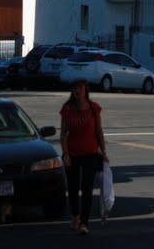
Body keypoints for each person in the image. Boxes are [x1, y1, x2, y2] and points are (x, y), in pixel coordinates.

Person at [59, 78, 108, 235]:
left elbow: (99, 131)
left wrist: (104, 152)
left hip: (91, 154)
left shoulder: (94, 108)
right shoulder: (67, 109)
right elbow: (63, 133)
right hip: (72, 154)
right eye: (74, 88)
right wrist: (65, 153)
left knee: (87, 188)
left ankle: (84, 222)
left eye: (80, 88)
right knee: (73, 188)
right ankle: (75, 216)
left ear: (86, 90)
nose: (77, 91)